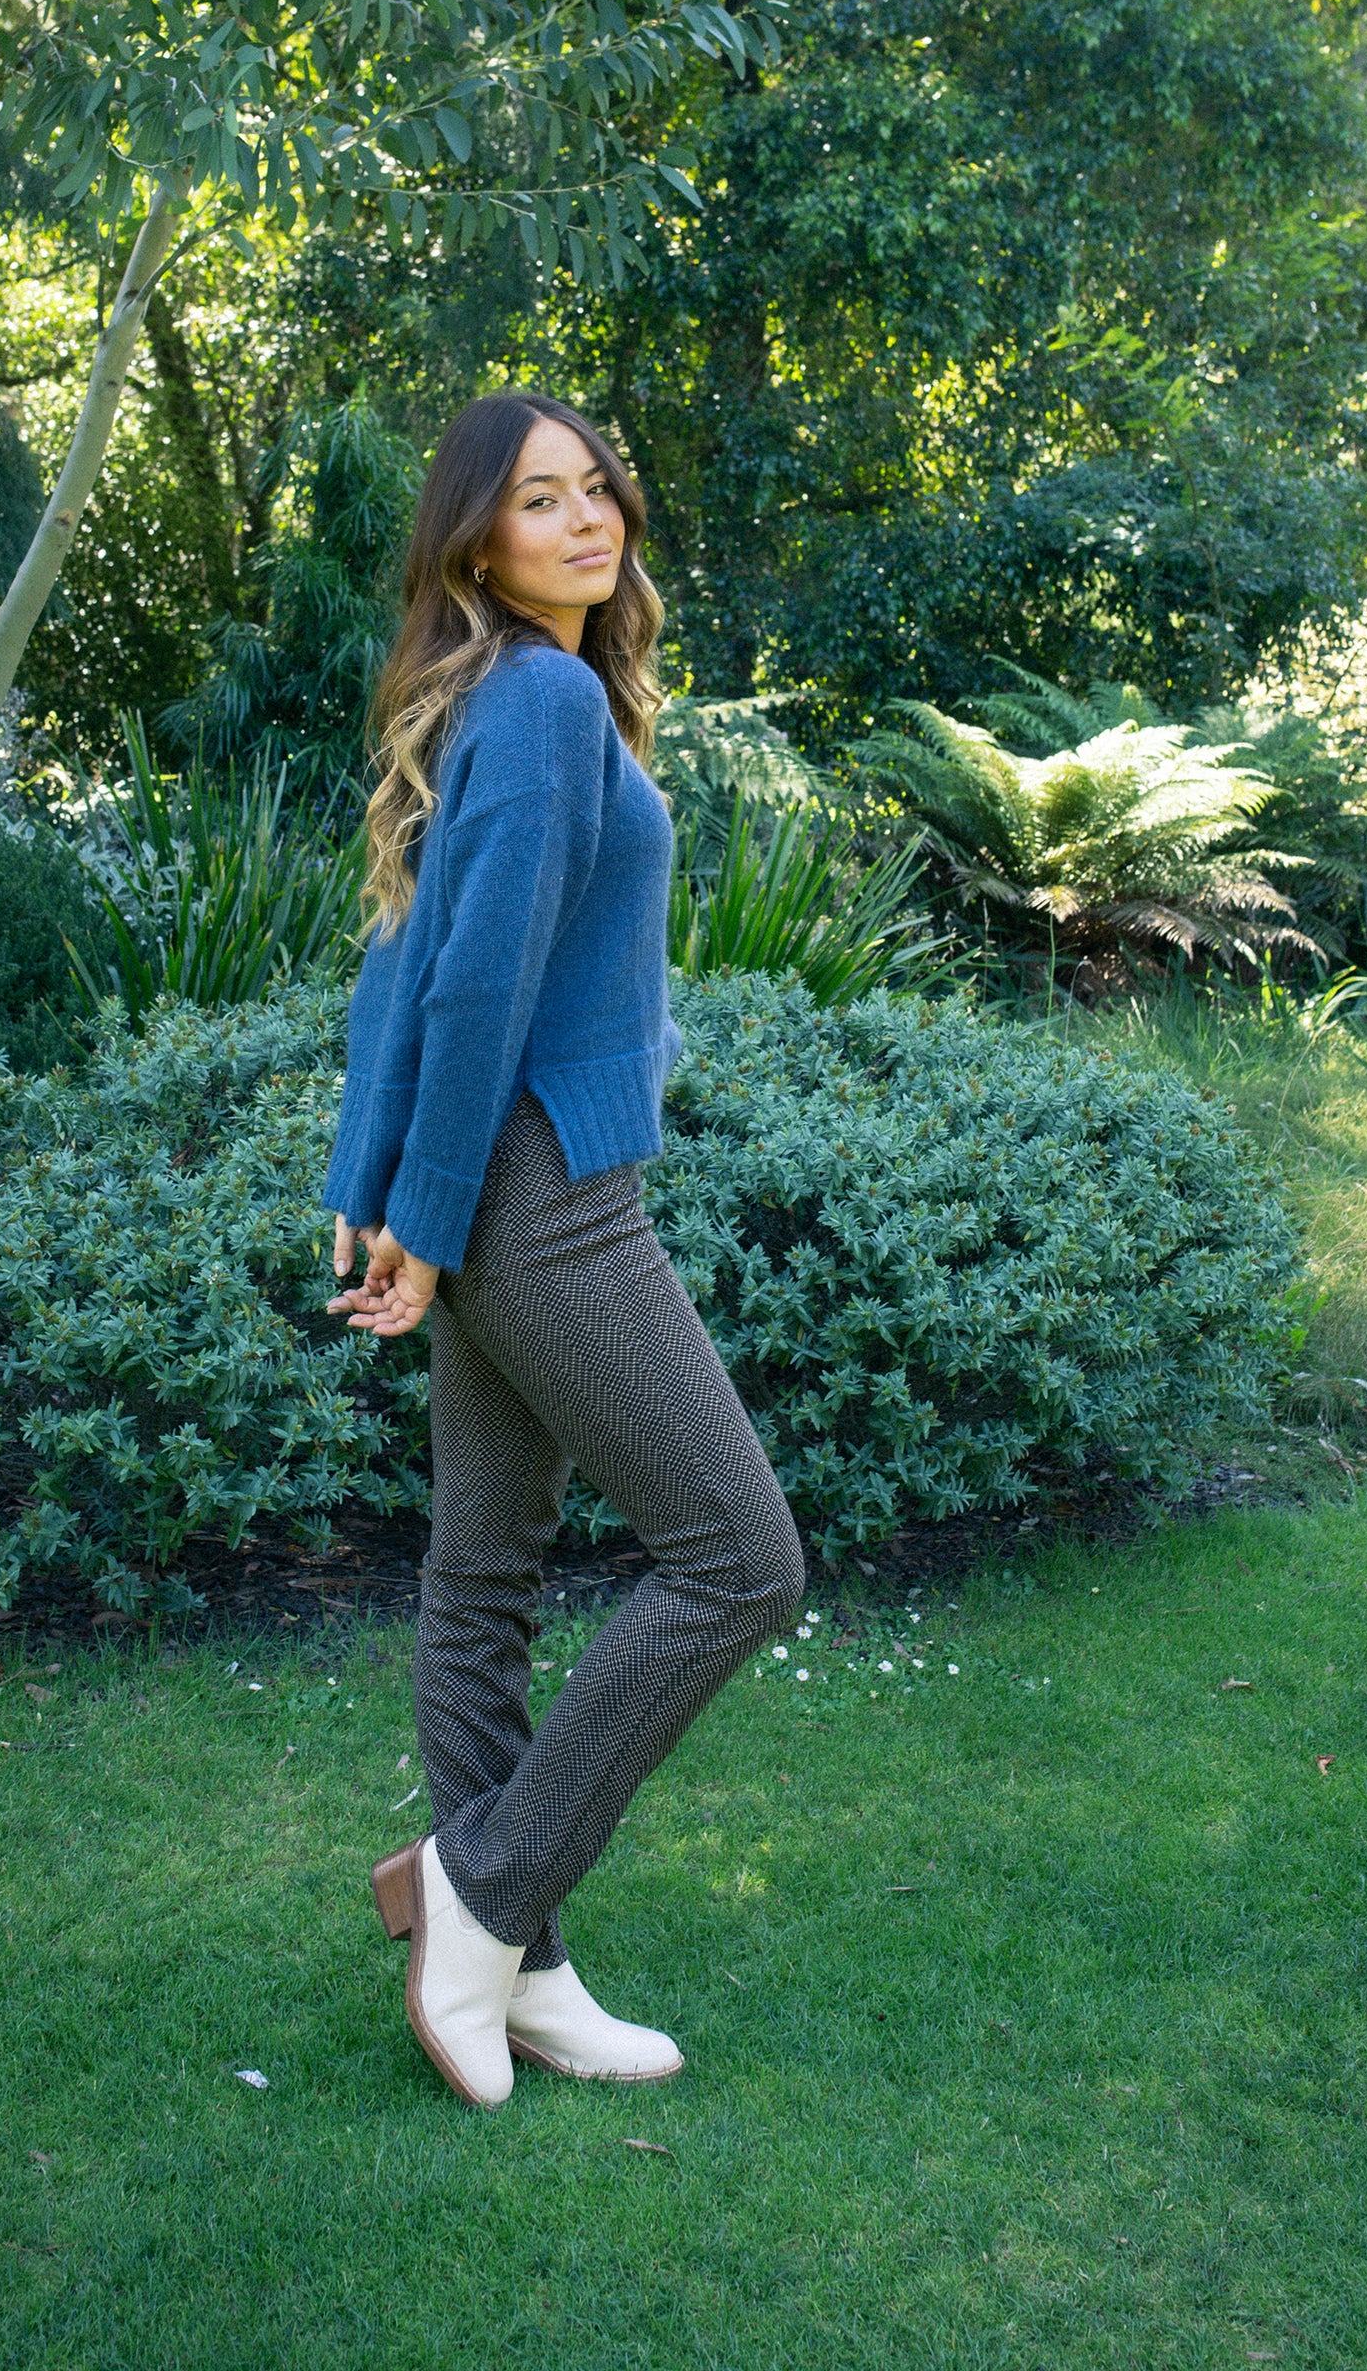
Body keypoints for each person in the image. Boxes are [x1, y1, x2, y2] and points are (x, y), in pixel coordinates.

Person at [323, 390, 805, 2111]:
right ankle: (484, 1892)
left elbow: (416, 947)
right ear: (480, 542)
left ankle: (510, 1965)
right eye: (543, 501)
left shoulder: (530, 697)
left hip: (492, 1189)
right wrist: (428, 1220)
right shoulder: (535, 702)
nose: (588, 520)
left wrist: (375, 1181)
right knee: (743, 1562)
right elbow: (467, 987)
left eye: (597, 489)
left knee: (484, 1572)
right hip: (541, 1201)